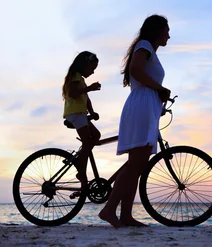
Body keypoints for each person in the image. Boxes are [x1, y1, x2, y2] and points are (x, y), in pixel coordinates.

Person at [98, 14, 171, 228]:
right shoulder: (145, 45)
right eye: (167, 30)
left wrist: (158, 96)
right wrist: (159, 88)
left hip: (145, 106)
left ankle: (126, 215)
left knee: (137, 165)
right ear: (158, 30)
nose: (169, 34)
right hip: (141, 107)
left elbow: (140, 73)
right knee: (135, 164)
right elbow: (135, 70)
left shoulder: (147, 48)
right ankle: (109, 210)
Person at [62, 51, 102, 187]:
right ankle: (81, 170)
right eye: (92, 68)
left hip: (81, 113)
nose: (92, 72)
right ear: (84, 65)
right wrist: (89, 88)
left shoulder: (81, 79)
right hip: (75, 113)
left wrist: (92, 112)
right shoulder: (75, 76)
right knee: (87, 141)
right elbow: (73, 93)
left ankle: (81, 157)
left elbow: (86, 99)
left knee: (96, 135)